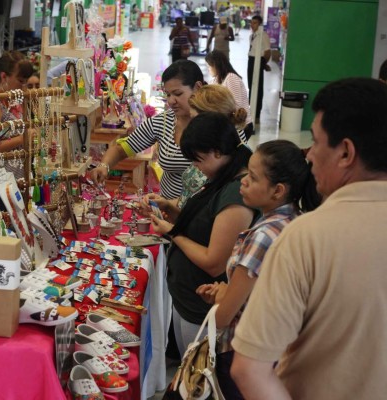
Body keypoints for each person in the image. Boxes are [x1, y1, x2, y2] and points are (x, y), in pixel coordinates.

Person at [230, 77, 387, 399]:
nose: (310, 155)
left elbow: (249, 369)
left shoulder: (305, 236)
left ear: (345, 153)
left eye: (315, 142)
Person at [196, 140, 318, 399]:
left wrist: (223, 297)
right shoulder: (292, 221)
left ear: (277, 191)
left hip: (240, 349)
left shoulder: (263, 235)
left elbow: (225, 316)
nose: (243, 181)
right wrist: (228, 291)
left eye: (252, 177)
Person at [150, 112, 257, 356]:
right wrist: (172, 210)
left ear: (217, 152)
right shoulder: (221, 177)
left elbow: (213, 262)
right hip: (187, 301)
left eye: (198, 161)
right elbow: (203, 228)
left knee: (196, 380)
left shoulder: (235, 195)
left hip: (202, 308)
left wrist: (173, 232)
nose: (196, 168)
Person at [91, 60, 205, 199]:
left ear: (198, 87)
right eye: (168, 95)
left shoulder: (217, 125)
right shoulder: (162, 122)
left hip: (205, 215)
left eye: (178, 93)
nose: (171, 101)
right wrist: (104, 166)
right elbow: (121, 149)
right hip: (168, 211)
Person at [144, 84, 249, 221]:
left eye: (194, 119)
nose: (191, 125)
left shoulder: (228, 167)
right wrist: (167, 205)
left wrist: (173, 231)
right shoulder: (211, 156)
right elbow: (191, 201)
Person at [205, 50, 253, 138]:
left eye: (209, 66)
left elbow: (236, 105)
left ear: (216, 65)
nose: (208, 69)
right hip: (228, 124)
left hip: (241, 125)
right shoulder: (215, 80)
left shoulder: (231, 78)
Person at [247, 15, 270, 124]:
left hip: (258, 61)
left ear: (260, 24)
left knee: (258, 87)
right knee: (251, 85)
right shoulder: (252, 35)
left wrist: (263, 64)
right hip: (251, 60)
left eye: (255, 23)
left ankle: (257, 114)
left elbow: (267, 52)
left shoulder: (263, 35)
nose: (252, 25)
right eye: (251, 22)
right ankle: (251, 110)